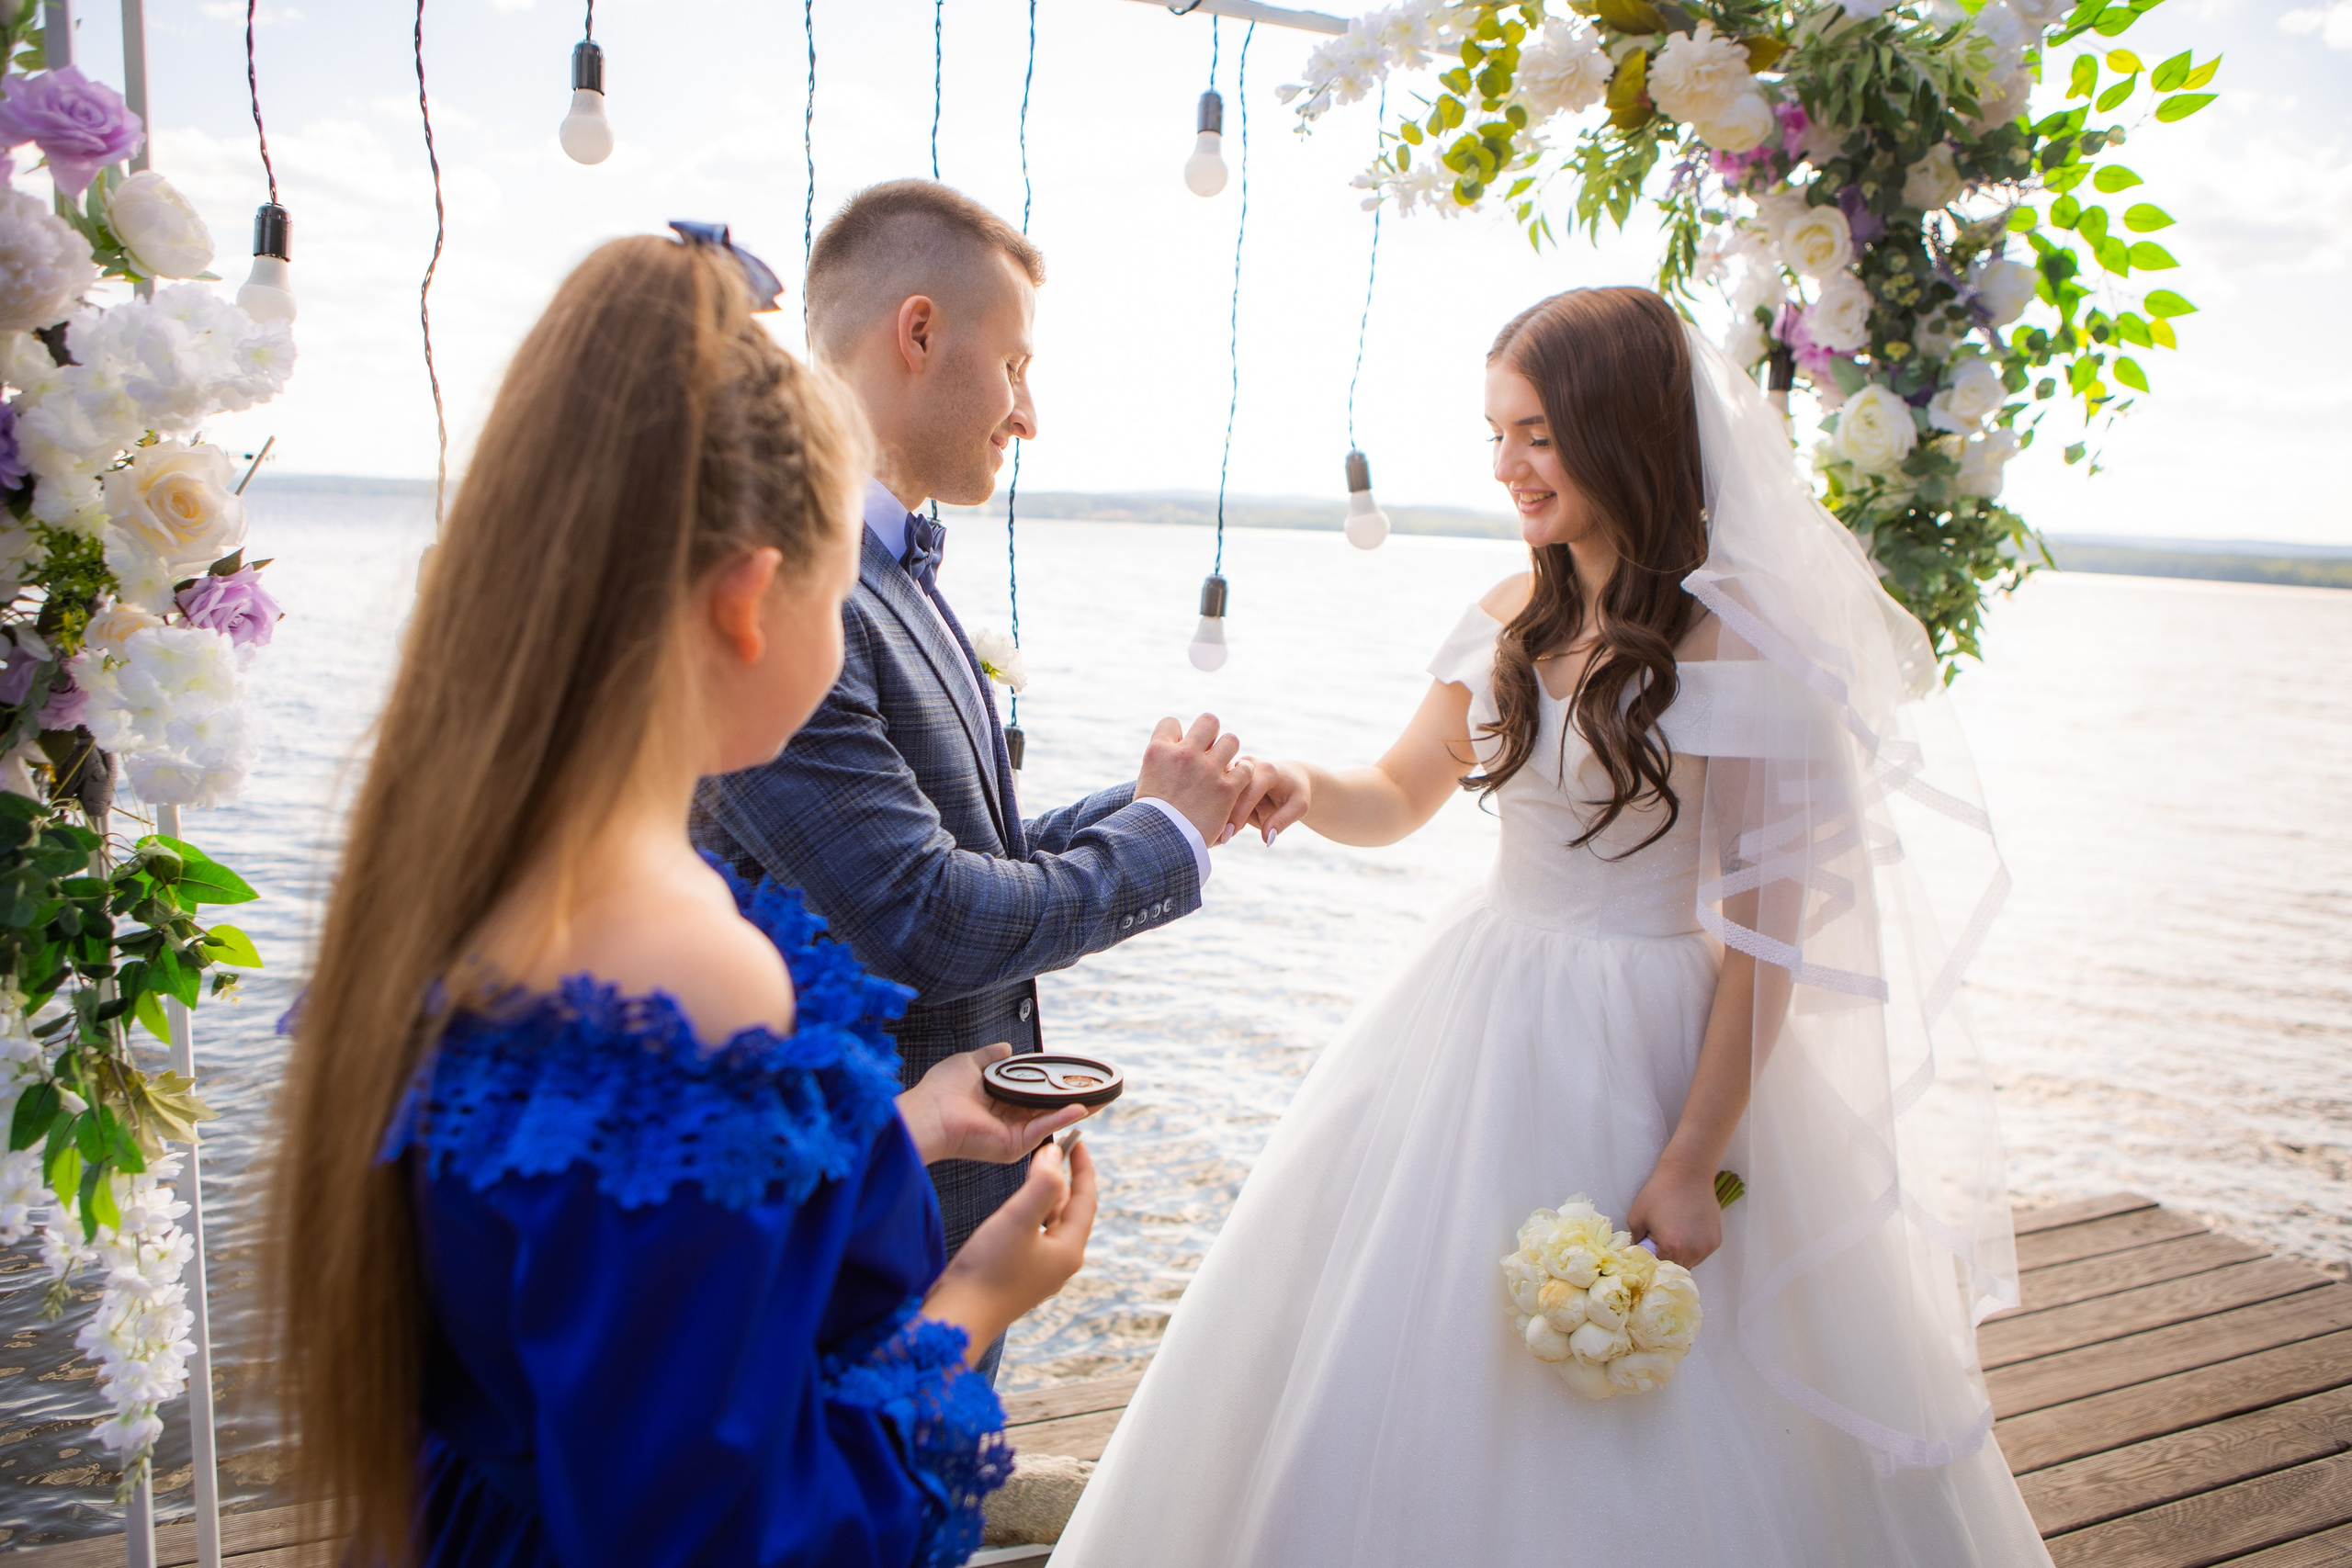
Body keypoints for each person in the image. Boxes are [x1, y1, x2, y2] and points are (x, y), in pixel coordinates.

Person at [1051, 288, 2052, 1566]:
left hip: (1657, 1030)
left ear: (1622, 429)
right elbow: (1400, 790)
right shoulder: (1506, 613)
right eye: (1496, 435)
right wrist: (1301, 784)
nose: (1511, 468)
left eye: (1537, 434)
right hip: (1478, 1003)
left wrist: (1695, 1154)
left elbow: (1767, 942)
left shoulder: (1742, 648)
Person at [266, 231, 1100, 1568]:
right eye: (841, 589)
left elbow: (588, 1230)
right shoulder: (686, 957)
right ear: (753, 602)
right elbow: (730, 1527)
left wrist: (905, 1123)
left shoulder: (459, 880)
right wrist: (980, 1292)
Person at [692, 182, 1272, 1363]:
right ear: (917, 334)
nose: (1028, 414)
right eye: (1013, 366)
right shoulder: (792, 592)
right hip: (826, 1203)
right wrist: (1163, 840)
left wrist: (1169, 803)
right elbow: (924, 914)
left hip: (922, 1193)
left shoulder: (891, 571)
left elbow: (960, 853)